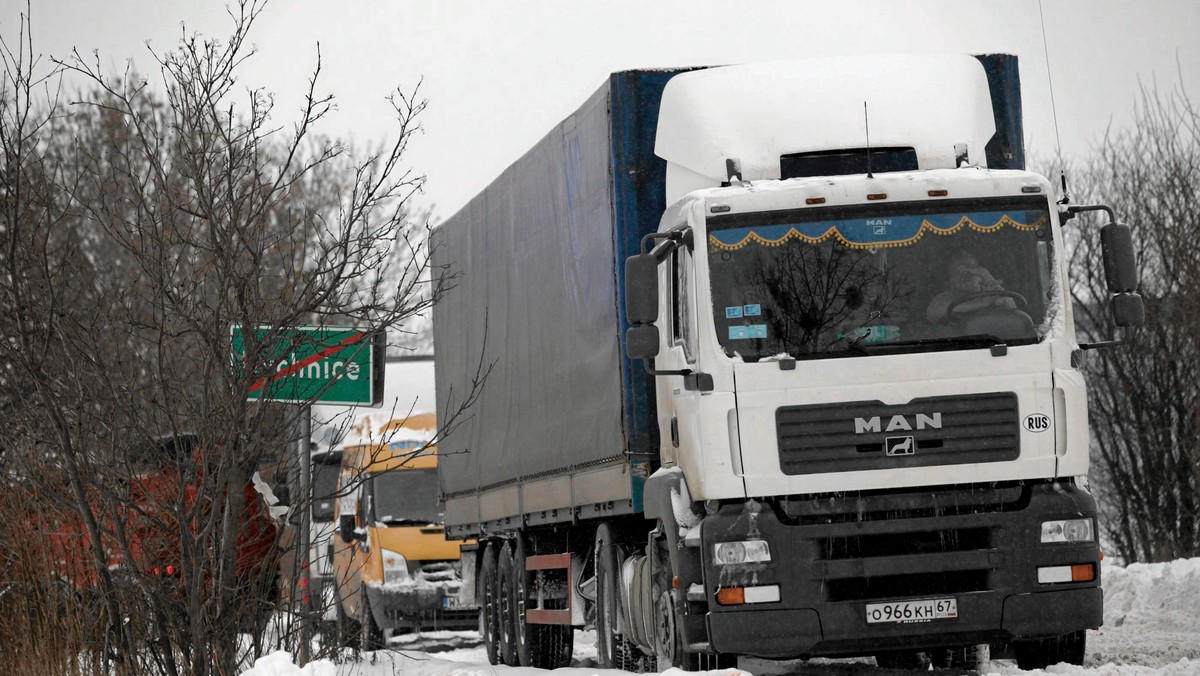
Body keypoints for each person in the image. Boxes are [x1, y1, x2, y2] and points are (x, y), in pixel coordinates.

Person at [925, 250, 1016, 323]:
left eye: (971, 268)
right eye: (958, 270)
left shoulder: (992, 292)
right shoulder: (943, 298)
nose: (965, 274)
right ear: (950, 280)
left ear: (980, 274)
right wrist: (981, 304)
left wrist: (987, 275)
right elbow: (934, 312)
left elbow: (1011, 312)